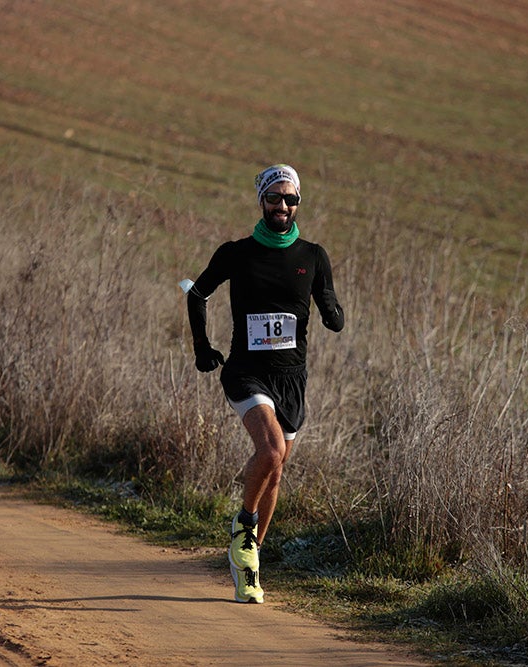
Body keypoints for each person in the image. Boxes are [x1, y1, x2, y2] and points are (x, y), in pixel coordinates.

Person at [186, 164, 345, 604]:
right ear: (261, 200)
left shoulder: (313, 255)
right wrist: (202, 346)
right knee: (271, 450)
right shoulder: (237, 252)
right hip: (246, 372)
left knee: (275, 472)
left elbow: (329, 303)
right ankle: (243, 525)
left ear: (298, 203)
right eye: (274, 198)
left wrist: (334, 314)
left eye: (290, 199)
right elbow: (197, 293)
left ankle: (249, 566)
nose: (282, 206)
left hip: (292, 377)